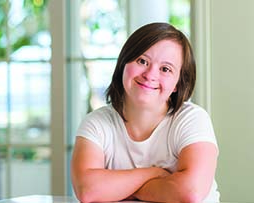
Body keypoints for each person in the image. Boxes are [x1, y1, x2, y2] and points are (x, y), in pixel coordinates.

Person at [70, 22, 220, 203]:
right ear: (124, 63)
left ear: (178, 84)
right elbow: (88, 191)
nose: (150, 75)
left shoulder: (192, 119)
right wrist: (154, 174)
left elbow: (189, 193)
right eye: (142, 61)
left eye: (165, 69)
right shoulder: (96, 123)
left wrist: (120, 189)